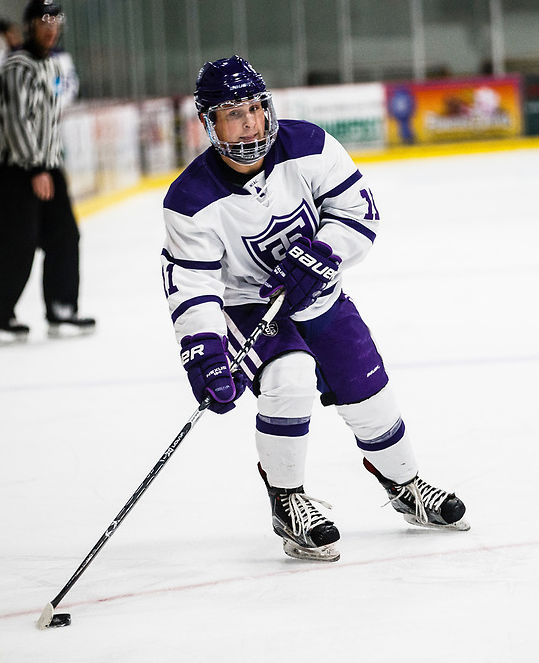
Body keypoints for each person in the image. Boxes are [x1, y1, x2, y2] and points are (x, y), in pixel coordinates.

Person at [161, 56, 469, 562]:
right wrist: (204, 349)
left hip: (321, 294)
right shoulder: (190, 200)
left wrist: (323, 255)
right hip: (248, 307)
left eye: (257, 109)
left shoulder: (309, 146)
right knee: (292, 375)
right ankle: (287, 501)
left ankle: (406, 485)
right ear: (209, 123)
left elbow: (358, 214)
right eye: (234, 113)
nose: (251, 123)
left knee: (368, 389)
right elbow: (192, 285)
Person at [0, 0, 95, 345]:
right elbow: (18, 121)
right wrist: (36, 167)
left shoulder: (52, 65)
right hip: (20, 169)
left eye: (55, 22)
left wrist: (49, 164)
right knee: (18, 243)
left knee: (65, 236)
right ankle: (0, 318)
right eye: (43, 22)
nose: (50, 29)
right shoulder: (18, 66)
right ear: (30, 25)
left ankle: (62, 309)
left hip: (47, 166)